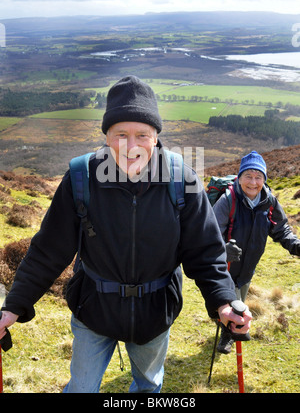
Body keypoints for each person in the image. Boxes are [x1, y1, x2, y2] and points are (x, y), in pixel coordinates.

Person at [0, 76, 251, 393]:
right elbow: (47, 251)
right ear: (106, 136)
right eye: (120, 134)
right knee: (81, 388)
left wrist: (225, 301)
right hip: (93, 307)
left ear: (156, 137)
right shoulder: (81, 178)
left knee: (148, 386)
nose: (131, 147)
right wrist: (14, 306)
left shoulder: (181, 181)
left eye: (142, 135)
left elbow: (205, 254)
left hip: (155, 311)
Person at [213, 150, 300, 354]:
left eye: (258, 177)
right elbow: (210, 233)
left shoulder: (269, 202)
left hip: (249, 265)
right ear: (240, 177)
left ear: (264, 179)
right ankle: (228, 335)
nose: (253, 182)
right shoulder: (228, 201)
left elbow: (281, 229)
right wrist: (223, 250)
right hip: (226, 265)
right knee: (228, 300)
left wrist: (296, 246)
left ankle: (237, 326)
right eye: (248, 176)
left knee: (240, 299)